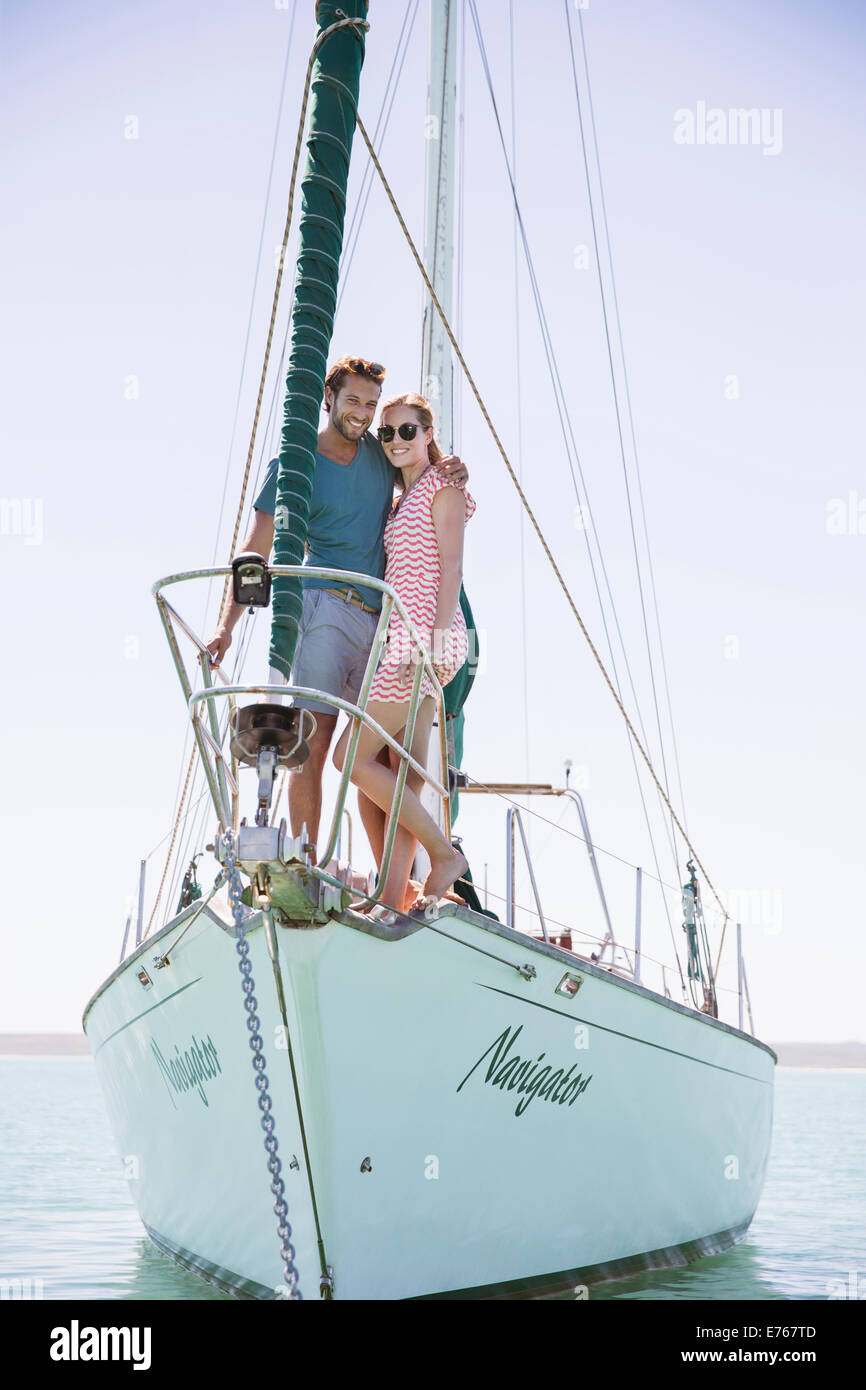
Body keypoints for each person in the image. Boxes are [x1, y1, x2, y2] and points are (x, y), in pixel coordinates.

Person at [206, 357, 467, 859]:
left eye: (371, 404)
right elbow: (256, 548)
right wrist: (227, 627)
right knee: (316, 743)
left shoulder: (379, 452)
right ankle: (306, 860)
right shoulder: (293, 464)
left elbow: (422, 479)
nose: (363, 413)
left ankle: (397, 886)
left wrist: (450, 464)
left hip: (388, 626)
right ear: (329, 399)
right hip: (325, 611)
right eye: (353, 401)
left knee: (390, 760)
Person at [333, 392, 473, 919]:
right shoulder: (401, 500)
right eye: (386, 432)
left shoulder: (443, 487)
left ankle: (443, 854)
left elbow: (452, 570)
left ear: (429, 434)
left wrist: (432, 642)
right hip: (405, 642)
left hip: (425, 641)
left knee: (348, 757)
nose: (395, 440)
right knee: (404, 776)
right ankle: (392, 897)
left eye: (407, 430)